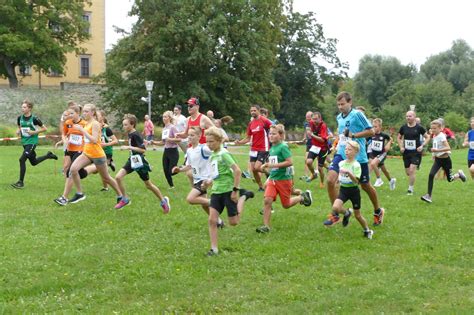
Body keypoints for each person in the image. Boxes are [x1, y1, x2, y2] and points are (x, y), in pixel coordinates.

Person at [326, 92, 385, 227]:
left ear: (350, 102)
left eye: (343, 104)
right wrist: (336, 145)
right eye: (338, 105)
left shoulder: (357, 114)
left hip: (359, 156)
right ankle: (336, 214)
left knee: (365, 186)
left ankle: (377, 211)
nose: (340, 107)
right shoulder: (339, 117)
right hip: (342, 154)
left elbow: (371, 132)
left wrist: (354, 135)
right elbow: (342, 134)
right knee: (330, 180)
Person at [204, 127, 254, 256]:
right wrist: (208, 182)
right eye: (207, 141)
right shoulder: (212, 156)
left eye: (211, 142)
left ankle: (243, 197)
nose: (209, 144)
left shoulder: (224, 154)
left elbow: (237, 171)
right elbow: (215, 174)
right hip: (216, 192)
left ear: (219, 141)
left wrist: (235, 190)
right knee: (212, 220)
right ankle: (214, 249)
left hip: (228, 190)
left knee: (234, 222)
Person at [256, 124, 313, 233]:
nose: (270, 136)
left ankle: (302, 197)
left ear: (281, 135)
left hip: (284, 180)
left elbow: (289, 162)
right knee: (267, 200)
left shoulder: (283, 147)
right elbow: (274, 164)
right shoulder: (272, 148)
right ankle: (266, 227)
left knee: (286, 205)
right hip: (273, 179)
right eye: (270, 133)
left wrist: (271, 165)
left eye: (274, 134)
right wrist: (267, 169)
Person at [66, 104, 124, 206]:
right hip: (87, 153)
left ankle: (121, 196)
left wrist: (82, 130)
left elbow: (94, 140)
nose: (84, 113)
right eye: (83, 111)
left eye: (86, 111)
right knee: (73, 169)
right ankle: (80, 193)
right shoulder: (87, 123)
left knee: (106, 178)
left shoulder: (95, 124)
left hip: (97, 155)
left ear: (92, 112)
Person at [114, 114, 171, 212]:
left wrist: (129, 147)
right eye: (123, 124)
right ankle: (125, 199)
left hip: (139, 162)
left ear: (132, 125)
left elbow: (143, 150)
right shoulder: (130, 133)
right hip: (132, 160)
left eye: (126, 125)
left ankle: (163, 200)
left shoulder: (135, 134)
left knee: (148, 185)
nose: (124, 127)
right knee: (118, 177)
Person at [172, 126, 224, 228]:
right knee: (204, 205)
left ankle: (215, 202)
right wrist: (179, 169)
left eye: (192, 135)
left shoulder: (203, 148)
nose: (190, 137)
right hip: (197, 180)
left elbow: (217, 152)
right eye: (189, 135)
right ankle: (218, 221)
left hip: (204, 179)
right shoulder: (189, 150)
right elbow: (189, 165)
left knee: (190, 199)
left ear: (199, 136)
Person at [323, 141, 374, 239]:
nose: (347, 151)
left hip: (354, 192)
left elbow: (356, 182)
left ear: (356, 152)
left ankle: (367, 230)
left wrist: (349, 173)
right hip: (344, 191)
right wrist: (337, 181)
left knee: (358, 216)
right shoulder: (341, 163)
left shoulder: (356, 165)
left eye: (349, 149)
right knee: (335, 207)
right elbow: (340, 175)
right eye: (345, 149)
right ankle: (346, 213)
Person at [11, 100, 58, 189]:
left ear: (29, 108)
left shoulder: (35, 119)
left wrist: (34, 132)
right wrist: (18, 130)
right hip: (24, 142)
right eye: (22, 107)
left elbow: (45, 129)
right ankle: (48, 155)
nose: (22, 108)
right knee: (34, 162)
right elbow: (19, 126)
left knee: (22, 160)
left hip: (32, 142)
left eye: (24, 107)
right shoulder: (19, 118)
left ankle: (20, 182)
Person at [420, 120, 466, 203]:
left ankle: (459, 174)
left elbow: (448, 148)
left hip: (446, 160)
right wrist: (434, 155)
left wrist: (437, 150)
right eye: (431, 128)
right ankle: (429, 196)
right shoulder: (434, 135)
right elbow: (435, 146)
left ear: (440, 128)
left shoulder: (441, 136)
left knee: (450, 179)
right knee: (431, 175)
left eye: (435, 128)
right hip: (438, 160)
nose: (433, 130)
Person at [53, 105, 89, 206]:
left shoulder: (84, 124)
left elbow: (88, 136)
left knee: (70, 171)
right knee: (75, 171)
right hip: (70, 149)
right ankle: (93, 169)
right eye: (69, 114)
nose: (70, 116)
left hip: (80, 150)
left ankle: (64, 198)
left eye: (72, 113)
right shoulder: (68, 123)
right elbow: (64, 134)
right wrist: (64, 140)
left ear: (78, 113)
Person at [235, 104, 273, 191]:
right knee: (253, 169)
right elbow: (248, 137)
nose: (252, 112)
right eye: (251, 111)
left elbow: (274, 128)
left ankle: (270, 174)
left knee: (257, 167)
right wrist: (239, 142)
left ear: (259, 111)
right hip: (254, 148)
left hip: (263, 148)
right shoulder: (251, 123)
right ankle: (261, 187)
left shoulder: (264, 120)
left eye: (254, 110)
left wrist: (273, 139)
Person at [83, 110, 118, 191]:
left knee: (97, 169)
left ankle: (115, 191)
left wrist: (105, 144)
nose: (95, 116)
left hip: (106, 152)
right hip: (95, 151)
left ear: (102, 117)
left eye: (97, 115)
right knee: (100, 172)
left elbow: (115, 141)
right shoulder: (92, 126)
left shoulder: (106, 129)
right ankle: (106, 187)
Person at [397, 110, 430, 195]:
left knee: (412, 170)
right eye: (407, 116)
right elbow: (399, 137)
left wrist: (422, 146)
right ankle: (415, 167)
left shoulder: (419, 127)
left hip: (416, 152)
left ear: (414, 117)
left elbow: (428, 137)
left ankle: (410, 189)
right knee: (408, 172)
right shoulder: (403, 127)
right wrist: (401, 147)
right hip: (406, 152)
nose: (408, 117)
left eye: (410, 116)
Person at [369, 118, 396, 190]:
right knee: (384, 170)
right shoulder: (371, 134)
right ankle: (391, 180)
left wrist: (389, 144)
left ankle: (379, 179)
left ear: (380, 127)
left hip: (382, 153)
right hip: (373, 153)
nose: (374, 128)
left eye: (376, 127)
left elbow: (391, 139)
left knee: (372, 164)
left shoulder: (384, 135)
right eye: (373, 126)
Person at [305, 112, 329, 188]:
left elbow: (322, 140)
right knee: (308, 162)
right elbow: (308, 127)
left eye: (316, 119)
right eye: (313, 119)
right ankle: (314, 174)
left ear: (320, 118)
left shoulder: (323, 126)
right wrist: (308, 130)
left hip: (323, 148)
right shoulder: (311, 123)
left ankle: (322, 182)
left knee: (320, 168)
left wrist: (312, 135)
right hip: (315, 146)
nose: (314, 121)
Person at [159, 111, 181, 188]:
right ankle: (171, 186)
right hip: (166, 151)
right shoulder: (164, 128)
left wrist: (170, 139)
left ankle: (181, 168)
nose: (164, 118)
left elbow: (179, 139)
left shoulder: (172, 127)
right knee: (165, 170)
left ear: (169, 118)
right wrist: (152, 142)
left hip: (173, 151)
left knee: (171, 171)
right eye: (163, 117)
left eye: (165, 117)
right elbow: (163, 142)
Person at [300, 111, 313, 180]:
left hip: (315, 143)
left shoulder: (315, 124)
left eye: (309, 117)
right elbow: (306, 131)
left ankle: (317, 171)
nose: (307, 119)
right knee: (306, 160)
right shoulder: (306, 124)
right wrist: (304, 137)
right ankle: (306, 175)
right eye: (306, 117)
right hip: (309, 143)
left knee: (319, 160)